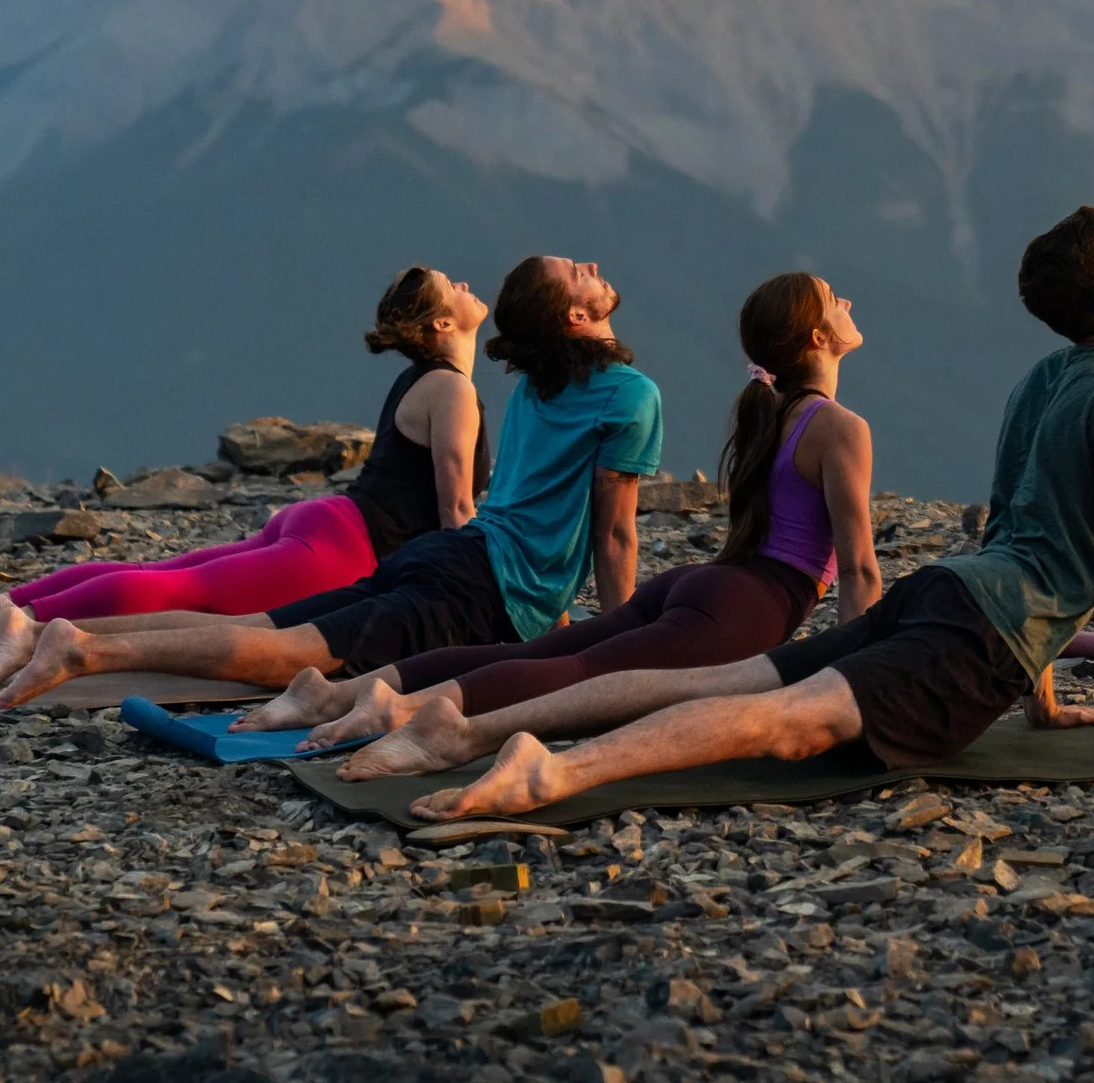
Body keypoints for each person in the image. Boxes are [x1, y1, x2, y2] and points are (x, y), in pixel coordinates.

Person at [321, 205, 1094, 818]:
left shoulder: (1045, 380)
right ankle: (553, 771)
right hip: (978, 633)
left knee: (719, 681)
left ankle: (467, 726)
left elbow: (1018, 525)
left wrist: (1045, 701)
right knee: (785, 719)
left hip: (945, 591)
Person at [233, 271, 883, 751]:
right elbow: (858, 572)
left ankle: (347, 691)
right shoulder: (838, 426)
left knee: (562, 654)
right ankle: (400, 711)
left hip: (702, 585)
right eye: (834, 298)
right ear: (819, 336)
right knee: (574, 673)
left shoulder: (776, 414)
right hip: (748, 605)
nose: (847, 300)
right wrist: (862, 684)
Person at [0, 255, 664, 708]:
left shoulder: (537, 387)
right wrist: (623, 647)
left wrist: (549, 609)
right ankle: (80, 645)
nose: (593, 267)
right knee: (284, 649)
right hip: (469, 582)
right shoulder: (628, 396)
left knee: (246, 612)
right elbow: (613, 534)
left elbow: (529, 511)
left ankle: (48, 623)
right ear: (576, 318)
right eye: (579, 272)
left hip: (446, 558)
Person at [0, 266, 490, 677]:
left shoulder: (423, 382)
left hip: (326, 522)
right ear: (442, 325)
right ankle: (15, 620)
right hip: (345, 550)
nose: (465, 284)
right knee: (179, 590)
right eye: (451, 286)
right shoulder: (453, 391)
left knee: (164, 572)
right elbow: (456, 512)